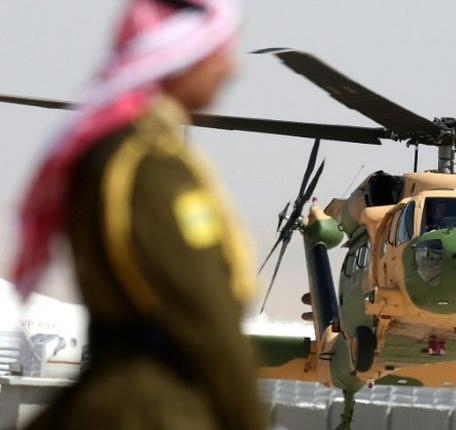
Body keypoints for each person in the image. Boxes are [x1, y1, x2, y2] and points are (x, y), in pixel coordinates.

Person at [11, 0, 266, 429]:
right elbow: (208, 319)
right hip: (154, 408)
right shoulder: (152, 167)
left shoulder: (113, 154)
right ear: (183, 58)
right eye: (220, 53)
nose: (231, 70)